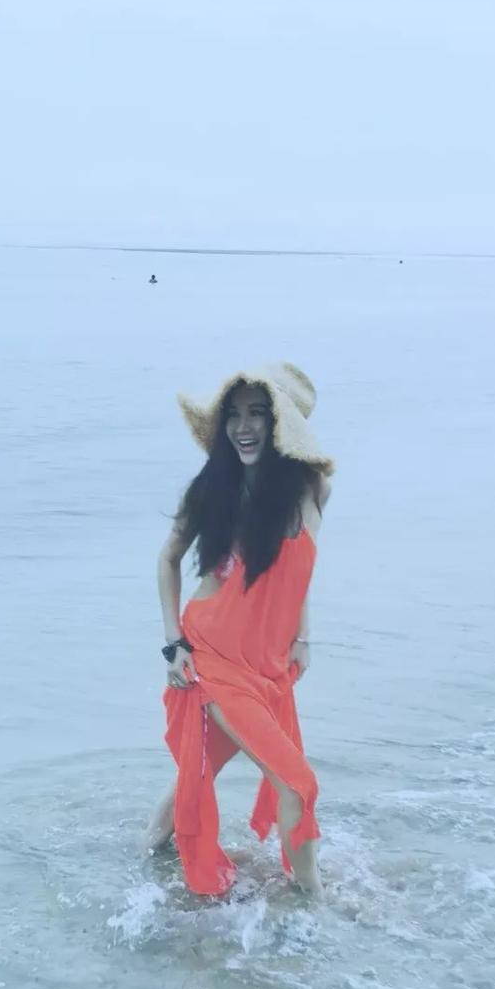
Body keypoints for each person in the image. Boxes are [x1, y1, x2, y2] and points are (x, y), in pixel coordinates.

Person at [148, 361, 335, 899]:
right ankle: (313, 900)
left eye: (257, 413)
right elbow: (167, 560)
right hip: (212, 655)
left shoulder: (312, 489)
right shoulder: (213, 490)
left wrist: (302, 636)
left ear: (281, 424)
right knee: (298, 783)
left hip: (268, 663)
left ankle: (147, 850)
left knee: (200, 769)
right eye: (233, 414)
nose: (243, 427)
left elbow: (296, 572)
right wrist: (174, 644)